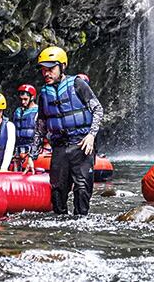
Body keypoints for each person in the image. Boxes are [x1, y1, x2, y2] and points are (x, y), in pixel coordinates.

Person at [25, 47, 103, 216]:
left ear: (62, 66)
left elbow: (98, 110)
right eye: (43, 70)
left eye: (51, 69)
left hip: (81, 145)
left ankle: (80, 222)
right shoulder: (44, 94)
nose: (46, 73)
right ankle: (61, 225)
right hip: (60, 147)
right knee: (58, 191)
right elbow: (41, 127)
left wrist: (91, 135)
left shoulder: (77, 84)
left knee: (82, 188)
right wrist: (32, 156)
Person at [10, 84, 39, 170]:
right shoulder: (18, 111)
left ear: (32, 97)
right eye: (21, 99)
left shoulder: (38, 111)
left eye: (25, 99)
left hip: (31, 146)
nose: (23, 102)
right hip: (18, 147)